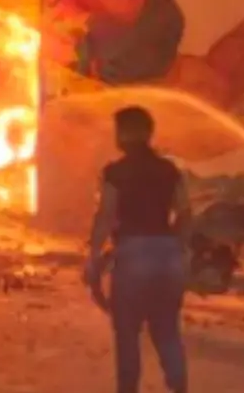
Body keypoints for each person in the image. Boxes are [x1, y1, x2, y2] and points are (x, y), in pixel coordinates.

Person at [85, 106, 192, 393]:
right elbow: (184, 213)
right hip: (167, 255)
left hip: (133, 255)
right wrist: (179, 249)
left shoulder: (115, 172)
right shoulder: (171, 171)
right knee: (167, 330)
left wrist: (93, 256)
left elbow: (106, 216)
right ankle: (179, 388)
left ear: (126, 134)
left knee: (128, 334)